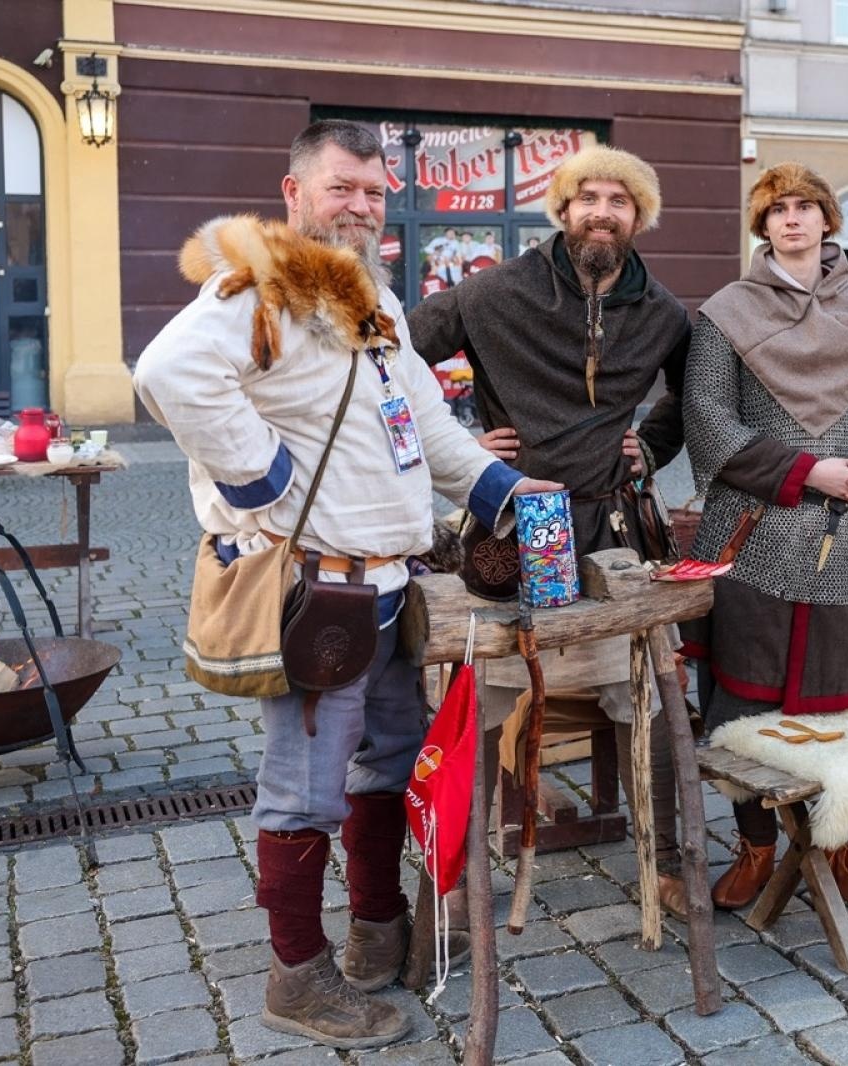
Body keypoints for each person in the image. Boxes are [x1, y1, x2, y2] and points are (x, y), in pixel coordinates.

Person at [133, 119, 558, 1050]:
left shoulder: (375, 306)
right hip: (318, 598)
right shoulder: (259, 289)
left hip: (391, 592)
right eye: (342, 190)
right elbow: (168, 371)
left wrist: (503, 488)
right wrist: (263, 482)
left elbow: (428, 426)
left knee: (386, 763)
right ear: (295, 196)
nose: (361, 208)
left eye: (373, 193)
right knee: (303, 792)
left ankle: (376, 935)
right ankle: (298, 978)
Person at [409, 144, 692, 916]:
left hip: (609, 532)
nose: (603, 211)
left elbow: (690, 399)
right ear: (563, 210)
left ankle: (667, 860)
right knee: (480, 703)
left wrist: (652, 446)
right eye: (588, 197)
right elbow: (391, 364)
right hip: (506, 534)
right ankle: (457, 886)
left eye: (620, 200)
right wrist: (461, 446)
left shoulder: (663, 314)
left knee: (652, 699)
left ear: (639, 218)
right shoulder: (491, 294)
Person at [684, 162, 848, 910]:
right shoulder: (726, 312)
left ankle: (835, 845)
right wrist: (806, 472)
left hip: (843, 537)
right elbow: (711, 425)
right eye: (776, 209)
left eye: (805, 206)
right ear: (763, 225)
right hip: (754, 531)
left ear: (827, 220)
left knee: (842, 709)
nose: (791, 219)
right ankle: (755, 848)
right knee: (746, 709)